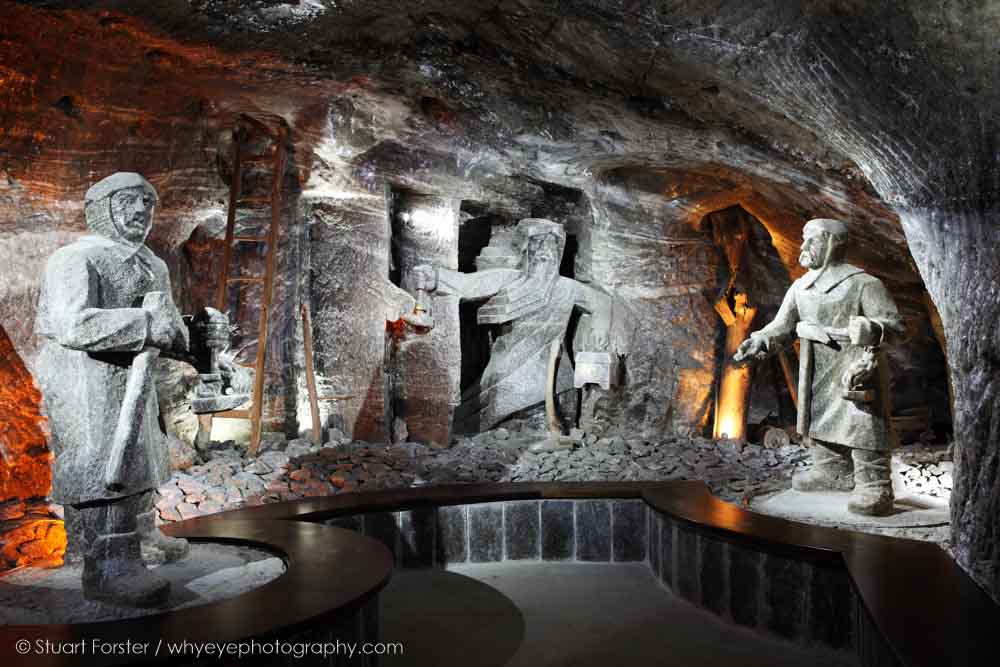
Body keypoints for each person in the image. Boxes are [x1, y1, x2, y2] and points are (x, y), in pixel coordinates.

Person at [35, 172, 189, 606]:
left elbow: (170, 323)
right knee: (103, 466)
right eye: (130, 201)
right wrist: (143, 325)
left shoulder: (153, 264)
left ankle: (141, 536)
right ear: (101, 208)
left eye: (148, 202)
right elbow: (71, 323)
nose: (142, 210)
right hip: (87, 382)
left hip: (135, 384)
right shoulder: (74, 259)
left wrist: (184, 333)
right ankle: (108, 565)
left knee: (141, 458)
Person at [734, 218, 905, 516]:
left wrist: (871, 328)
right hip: (816, 365)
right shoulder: (801, 287)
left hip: (855, 365)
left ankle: (874, 484)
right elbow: (782, 326)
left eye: (810, 240)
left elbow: (897, 327)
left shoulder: (864, 284)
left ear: (830, 244)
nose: (803, 247)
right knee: (819, 414)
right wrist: (760, 340)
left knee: (861, 421)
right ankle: (831, 470)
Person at [413, 218, 629, 438]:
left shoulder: (567, 288)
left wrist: (600, 329)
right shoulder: (509, 279)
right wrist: (437, 278)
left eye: (552, 246)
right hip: (508, 367)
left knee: (557, 408)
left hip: (555, 373)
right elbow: (469, 284)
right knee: (491, 406)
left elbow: (602, 302)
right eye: (538, 245)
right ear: (526, 251)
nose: (545, 252)